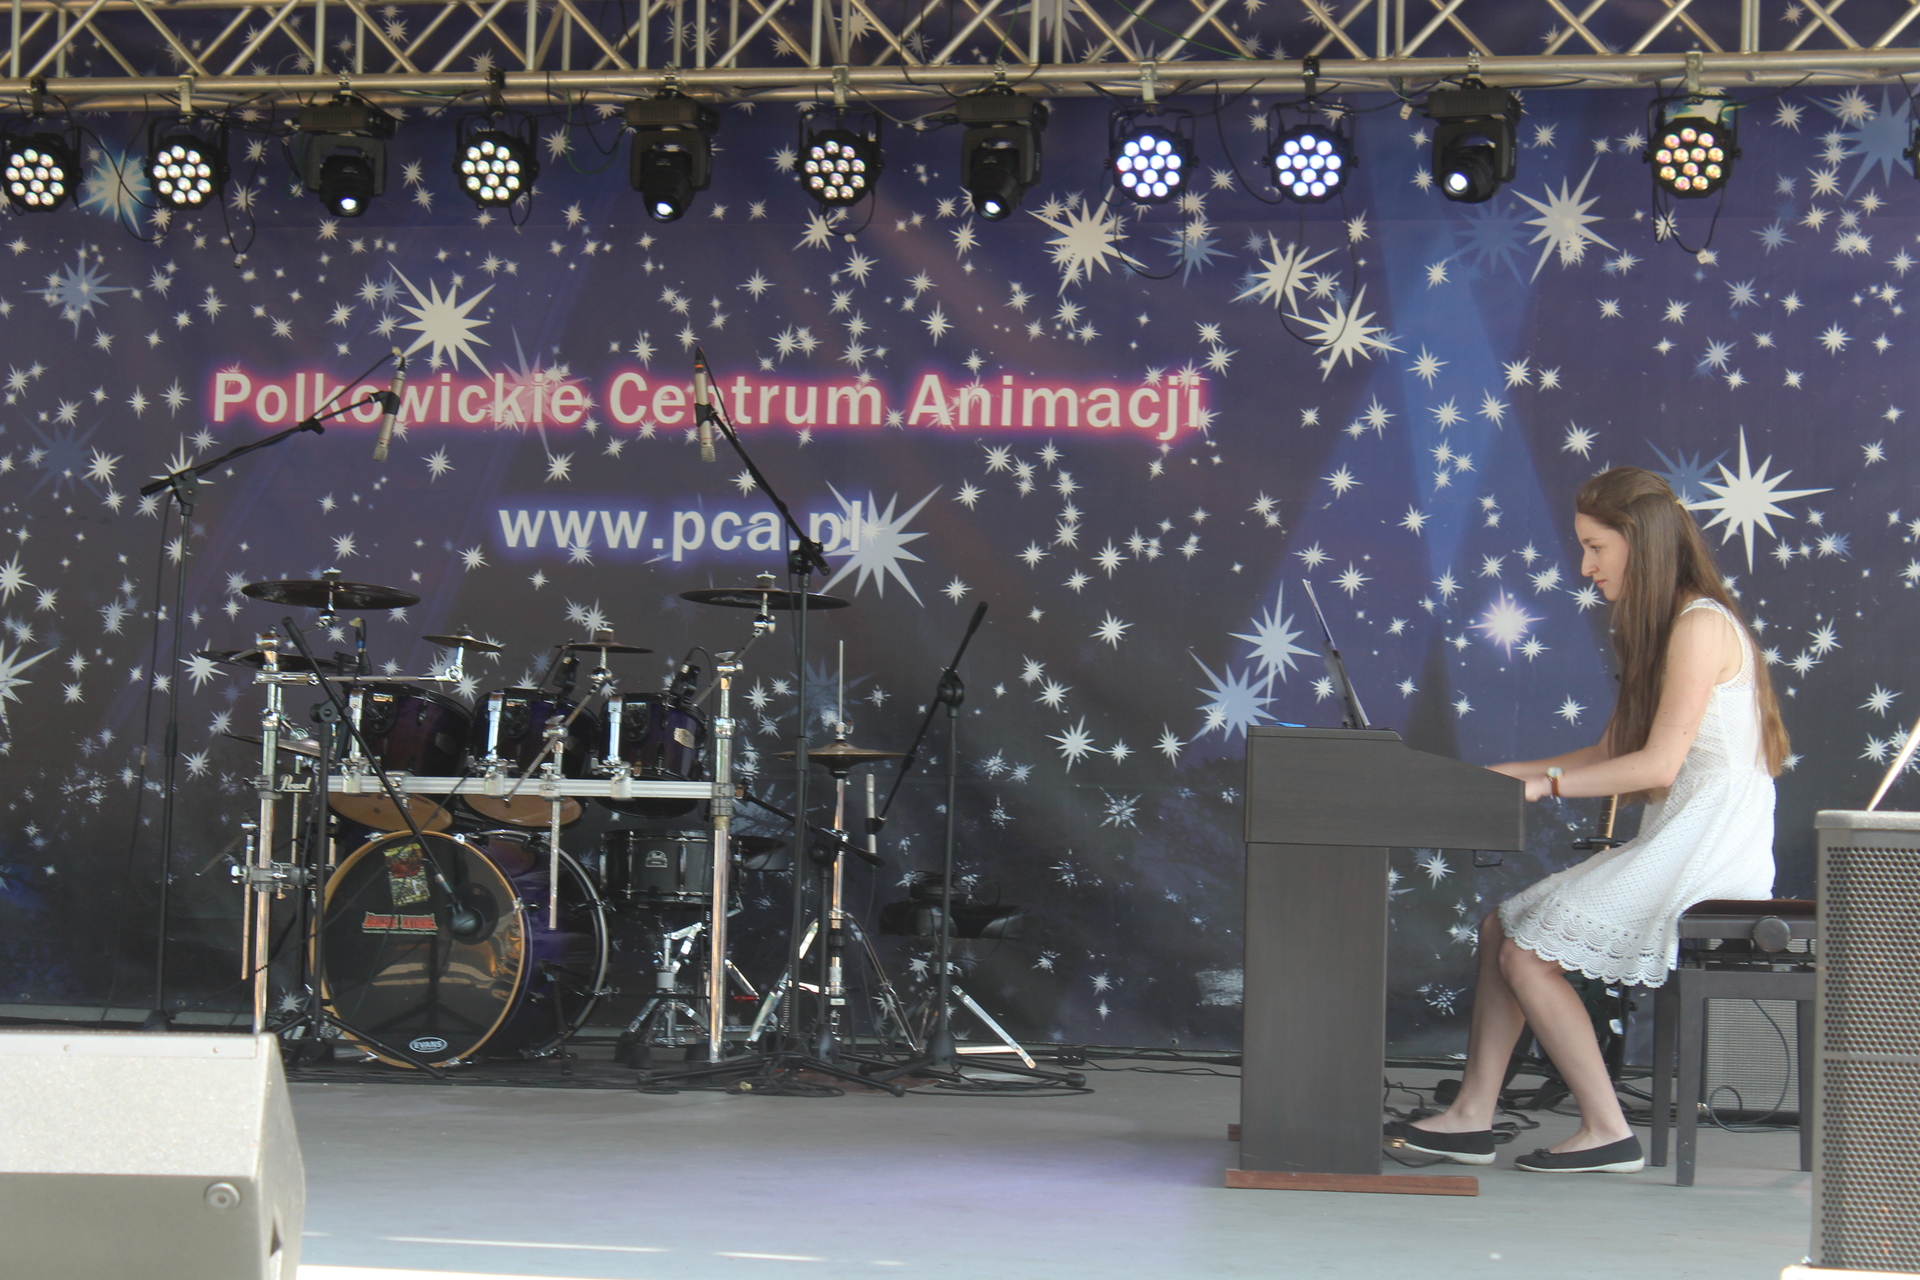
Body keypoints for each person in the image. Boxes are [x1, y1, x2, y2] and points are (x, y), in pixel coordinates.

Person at [1384, 466, 1788, 1174]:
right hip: (1679, 839)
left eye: (1597, 547)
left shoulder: (1700, 626)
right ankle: (1472, 1116)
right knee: (1502, 927)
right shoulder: (1660, 628)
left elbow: (1656, 764)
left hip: (1711, 852)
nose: (1585, 566)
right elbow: (1610, 751)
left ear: (1641, 542)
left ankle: (1607, 1131)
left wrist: (1545, 786)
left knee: (1525, 952)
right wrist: (1506, 774)